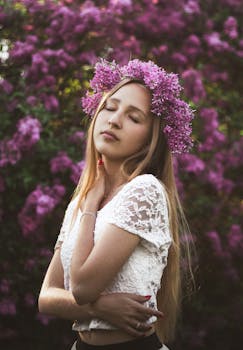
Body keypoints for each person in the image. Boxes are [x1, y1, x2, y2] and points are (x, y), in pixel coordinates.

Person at [38, 59, 194, 350]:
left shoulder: (145, 191)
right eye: (110, 107)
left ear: (150, 139)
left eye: (134, 117)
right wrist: (99, 309)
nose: (114, 120)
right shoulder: (82, 202)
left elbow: (82, 288)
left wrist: (89, 211)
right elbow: (47, 297)